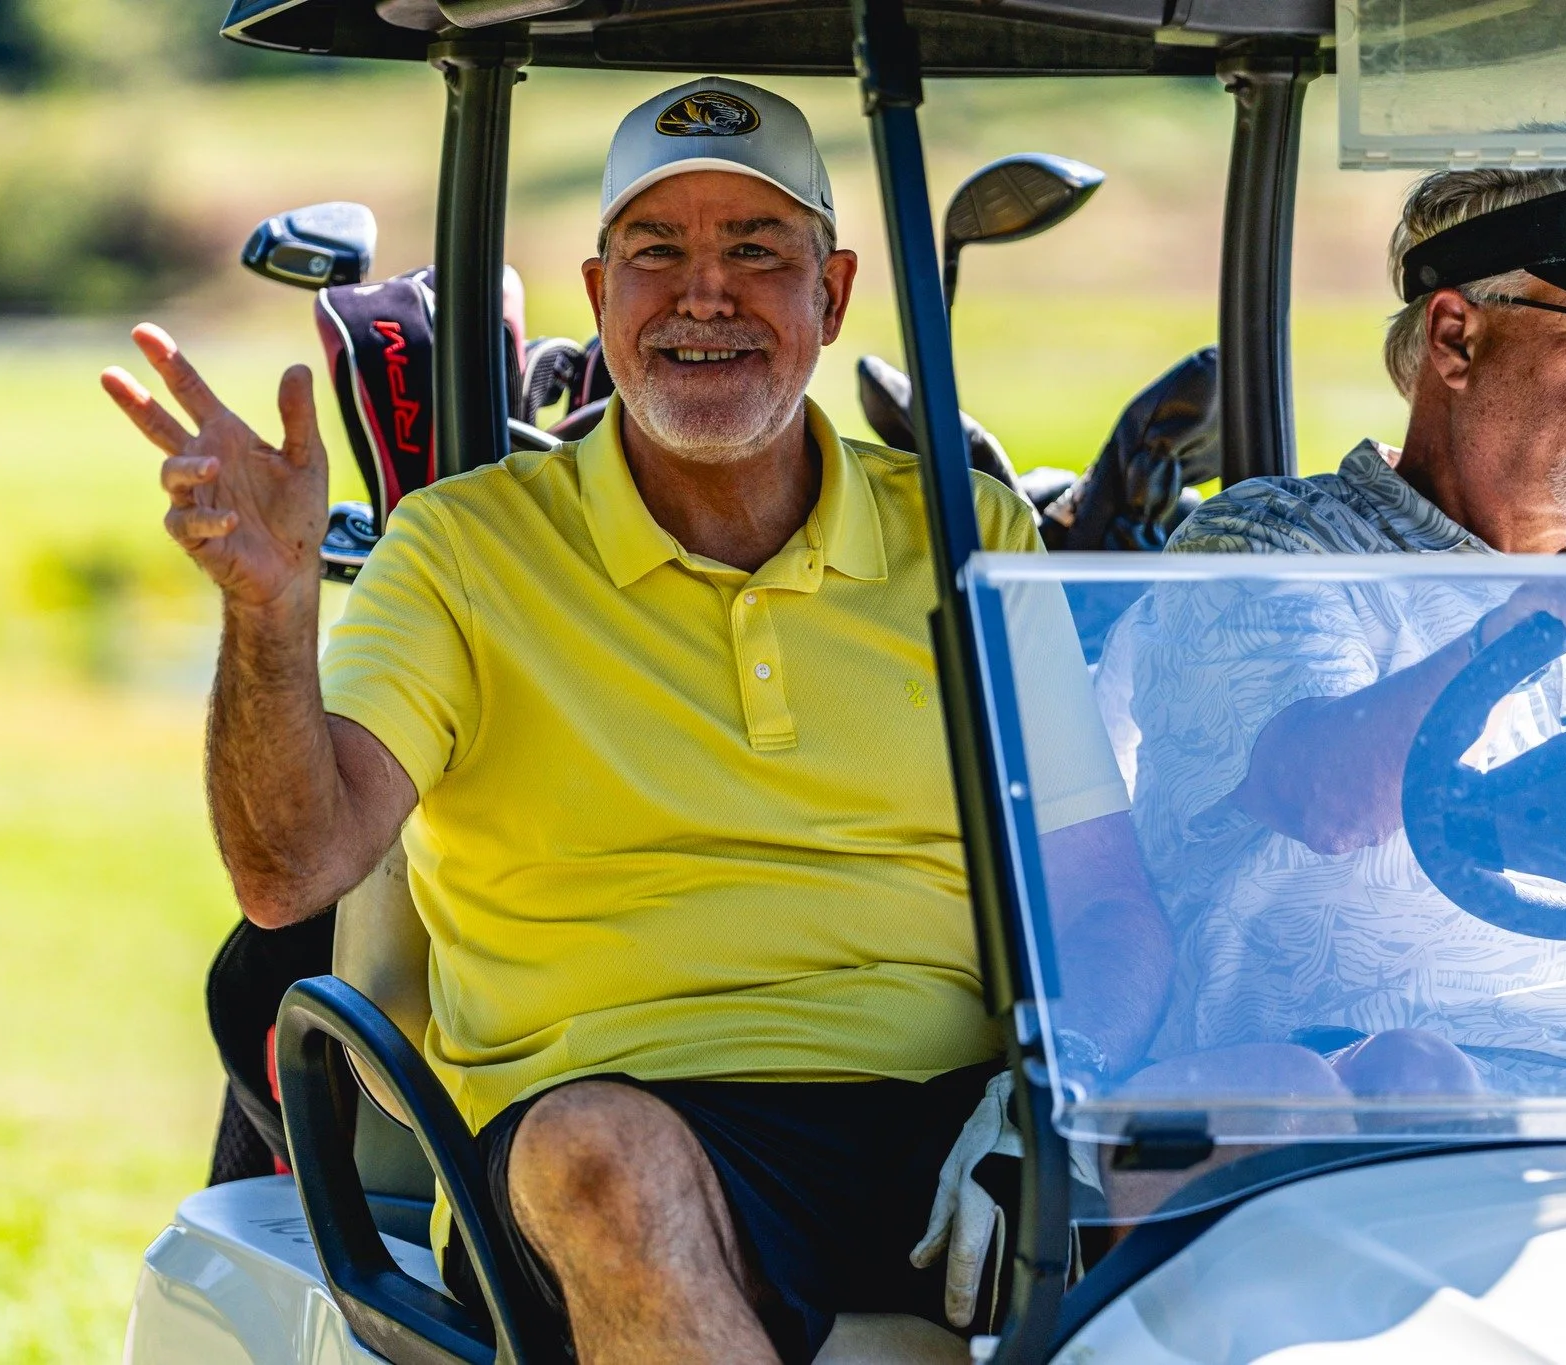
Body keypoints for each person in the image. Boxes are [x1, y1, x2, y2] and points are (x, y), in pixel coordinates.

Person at [102, 77, 1175, 1364]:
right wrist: (270, 615)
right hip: (601, 1134)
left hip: (952, 1134)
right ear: (600, 295)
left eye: (755, 252)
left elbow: (1101, 899)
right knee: (601, 1159)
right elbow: (288, 874)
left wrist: (1066, 1096)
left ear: (829, 298)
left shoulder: (966, 533)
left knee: (1309, 1128)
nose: (702, 295)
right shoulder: (461, 548)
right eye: (655, 253)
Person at [1104, 167, 1566, 1095]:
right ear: (1455, 336)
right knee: (1414, 1079)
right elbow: (1323, 797)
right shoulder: (1274, 541)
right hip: (1383, 1125)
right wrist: (1510, 630)